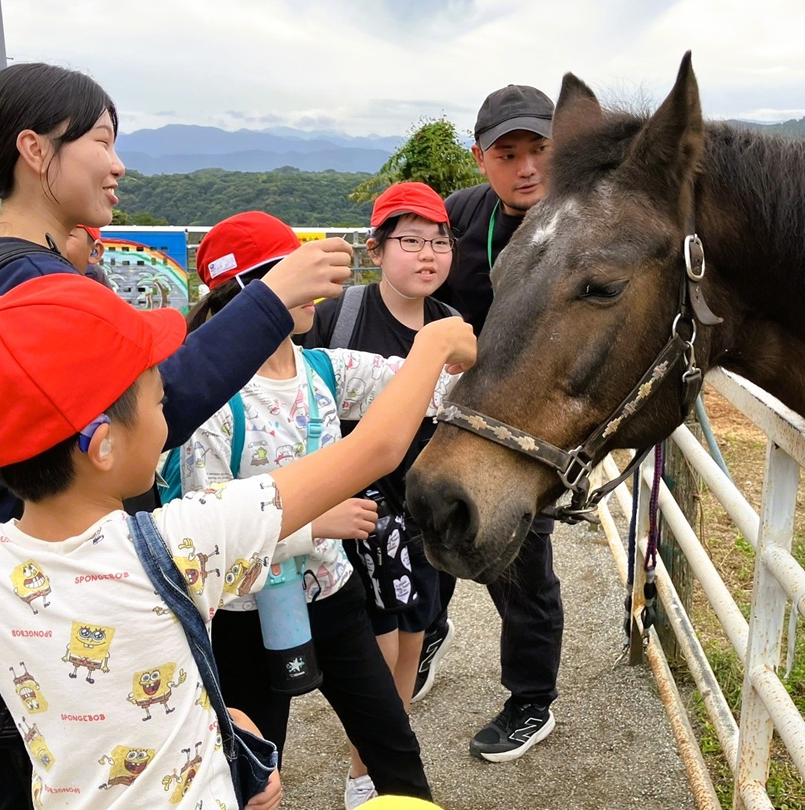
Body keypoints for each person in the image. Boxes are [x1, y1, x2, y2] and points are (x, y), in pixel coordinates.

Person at [0, 62, 354, 809]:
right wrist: (271, 301)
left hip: (23, 593)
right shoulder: (29, 286)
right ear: (35, 152)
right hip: (63, 600)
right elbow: (157, 409)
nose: (120, 162)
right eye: (101, 139)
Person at [0, 271, 475, 807]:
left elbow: (93, 686)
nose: (170, 418)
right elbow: (377, 448)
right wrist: (432, 342)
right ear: (102, 447)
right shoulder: (178, 544)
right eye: (159, 404)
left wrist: (212, 713)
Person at [178, 211, 451, 808]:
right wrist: (313, 524)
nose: (325, 290)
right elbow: (201, 530)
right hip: (244, 613)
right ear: (256, 291)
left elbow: (420, 385)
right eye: (302, 274)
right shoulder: (211, 405)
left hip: (331, 594)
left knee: (391, 740)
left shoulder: (324, 369)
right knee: (254, 763)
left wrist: (455, 350)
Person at [423, 83, 565, 764]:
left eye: (539, 149)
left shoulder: (580, 218)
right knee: (430, 526)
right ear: (481, 158)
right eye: (508, 153)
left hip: (527, 427)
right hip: (454, 411)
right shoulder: (456, 218)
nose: (527, 167)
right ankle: (428, 634)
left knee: (521, 559)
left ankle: (531, 700)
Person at [302, 182, 458, 709]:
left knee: (411, 646)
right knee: (370, 655)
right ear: (377, 249)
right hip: (353, 517)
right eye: (411, 242)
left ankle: (384, 767)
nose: (428, 256)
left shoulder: (450, 327)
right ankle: (368, 767)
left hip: (420, 516)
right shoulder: (338, 318)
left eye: (440, 242)